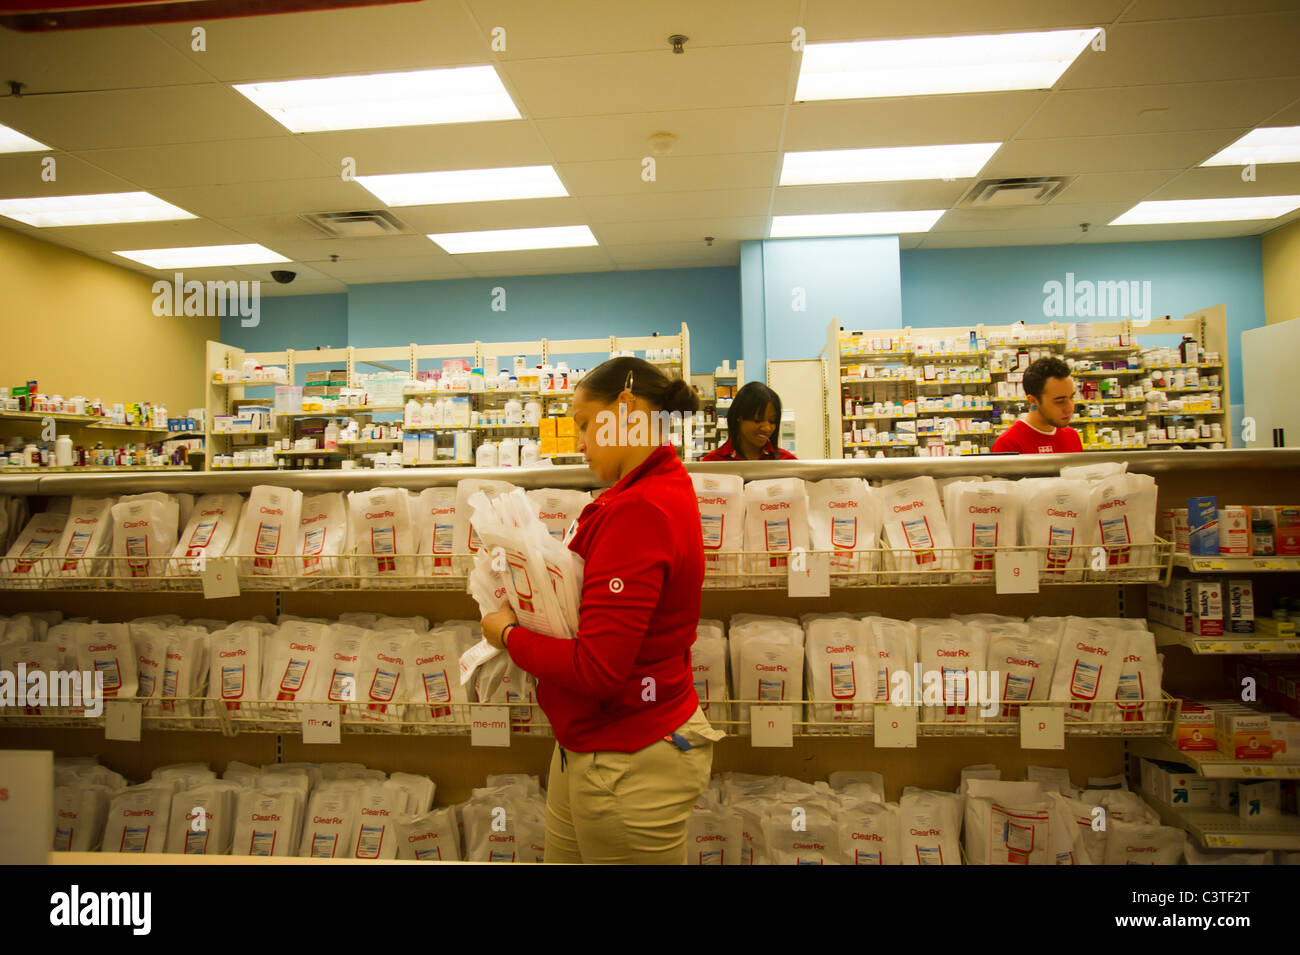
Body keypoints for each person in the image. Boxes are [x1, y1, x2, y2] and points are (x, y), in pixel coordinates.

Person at [478, 355, 723, 864]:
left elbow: (599, 670)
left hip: (625, 760)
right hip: (594, 746)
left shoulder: (639, 510)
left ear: (626, 409)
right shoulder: (651, 488)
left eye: (586, 425)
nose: (581, 443)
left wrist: (506, 633)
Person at [991, 356, 1084, 454]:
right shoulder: (1008, 443)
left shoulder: (1072, 436)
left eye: (1071, 397)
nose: (1070, 409)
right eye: (1060, 401)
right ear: (1033, 400)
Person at [702, 381, 797, 460]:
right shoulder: (714, 462)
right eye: (758, 420)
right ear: (739, 417)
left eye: (772, 421)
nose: (767, 428)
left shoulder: (786, 461)